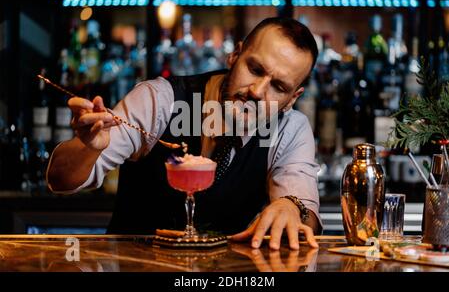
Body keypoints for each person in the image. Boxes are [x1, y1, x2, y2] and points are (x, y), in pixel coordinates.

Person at [47, 17, 322, 250]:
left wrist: (291, 206)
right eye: (255, 69)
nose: (257, 92)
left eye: (279, 87)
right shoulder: (160, 100)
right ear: (235, 55)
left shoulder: (290, 129)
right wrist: (90, 148)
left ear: (293, 98)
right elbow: (60, 180)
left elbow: (305, 215)